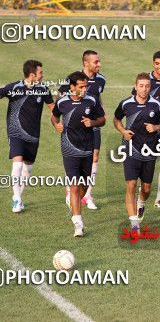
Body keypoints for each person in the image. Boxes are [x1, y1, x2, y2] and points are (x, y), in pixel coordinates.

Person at [113, 73, 160, 231]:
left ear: (150, 87)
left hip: (149, 151)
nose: (144, 89)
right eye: (141, 86)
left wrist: (156, 127)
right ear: (135, 86)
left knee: (146, 189)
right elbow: (116, 119)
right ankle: (134, 223)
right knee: (131, 184)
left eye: (147, 86)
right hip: (130, 148)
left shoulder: (157, 104)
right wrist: (123, 131)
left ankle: (141, 203)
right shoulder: (126, 103)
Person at [51, 71, 105, 237]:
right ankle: (78, 224)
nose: (84, 89)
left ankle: (74, 205)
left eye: (86, 86)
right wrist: (57, 125)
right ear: (72, 87)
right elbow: (54, 116)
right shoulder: (62, 102)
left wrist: (93, 122)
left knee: (84, 185)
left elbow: (102, 119)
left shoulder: (91, 100)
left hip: (87, 149)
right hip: (69, 149)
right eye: (81, 86)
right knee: (74, 185)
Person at [0, 60, 54, 212]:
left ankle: (18, 196)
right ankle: (16, 199)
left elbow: (53, 108)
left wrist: (58, 122)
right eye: (40, 73)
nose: (42, 75)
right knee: (17, 164)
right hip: (15, 132)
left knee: (27, 170)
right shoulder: (14, 87)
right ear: (32, 74)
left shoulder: (43, 89)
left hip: (33, 135)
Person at [59, 50, 106, 210]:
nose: (99, 64)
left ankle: (87, 195)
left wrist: (100, 114)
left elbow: (97, 98)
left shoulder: (101, 80)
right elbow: (61, 100)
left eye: (99, 61)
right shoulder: (73, 79)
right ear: (86, 63)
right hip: (74, 130)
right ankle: (70, 191)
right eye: (96, 62)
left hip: (92, 124)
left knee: (95, 156)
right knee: (74, 158)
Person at [131, 51, 160, 210]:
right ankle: (142, 192)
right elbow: (135, 100)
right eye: (157, 63)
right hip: (146, 130)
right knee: (144, 161)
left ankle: (158, 199)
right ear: (153, 63)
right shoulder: (145, 81)